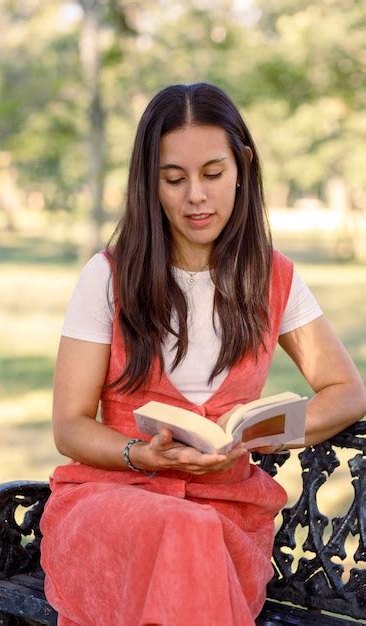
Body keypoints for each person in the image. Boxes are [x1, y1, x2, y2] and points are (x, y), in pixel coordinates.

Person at [39, 83, 366, 626]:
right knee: (182, 532)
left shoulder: (273, 277)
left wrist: (263, 431)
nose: (196, 195)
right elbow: (69, 425)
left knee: (195, 536)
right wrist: (137, 454)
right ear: (150, 183)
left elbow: (347, 391)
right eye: (174, 179)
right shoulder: (108, 277)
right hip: (115, 507)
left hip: (225, 516)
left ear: (242, 168)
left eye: (213, 174)